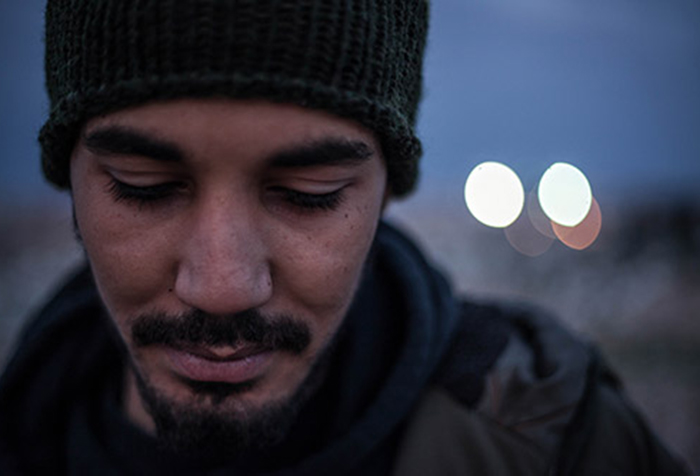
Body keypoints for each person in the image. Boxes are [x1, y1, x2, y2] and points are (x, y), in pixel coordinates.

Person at [0, 1, 689, 475]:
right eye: (142, 185)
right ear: (70, 176)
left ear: (387, 187)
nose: (222, 285)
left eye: (310, 195)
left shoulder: (556, 444)